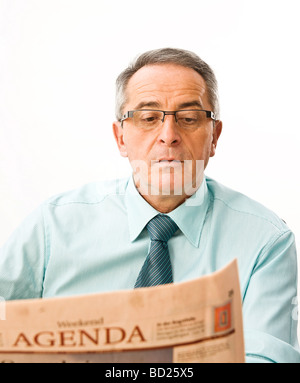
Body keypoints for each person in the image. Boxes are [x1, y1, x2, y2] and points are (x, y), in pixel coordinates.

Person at [0, 48, 299, 363]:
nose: (168, 136)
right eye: (148, 118)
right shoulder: (53, 227)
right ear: (120, 139)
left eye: (188, 118)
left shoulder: (267, 241)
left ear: (214, 136)